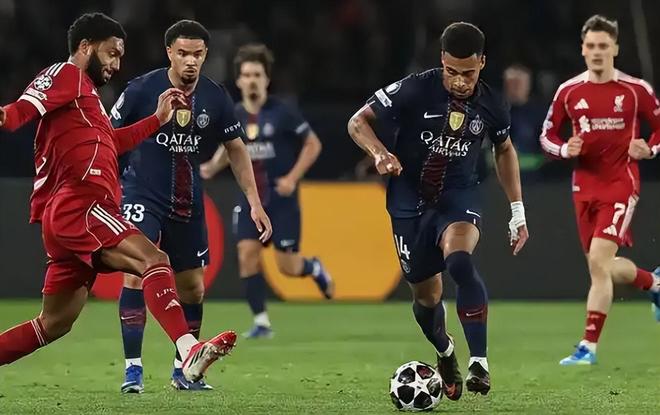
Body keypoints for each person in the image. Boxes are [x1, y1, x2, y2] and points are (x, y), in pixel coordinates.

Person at [0, 13, 240, 384]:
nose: (116, 64)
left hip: (67, 217)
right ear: (85, 46)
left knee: (54, 323)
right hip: (81, 205)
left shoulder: (86, 98)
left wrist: (156, 120)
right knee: (154, 260)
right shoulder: (66, 74)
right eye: (111, 53)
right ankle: (189, 348)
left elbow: (112, 143)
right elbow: (16, 114)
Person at [347, 22, 528, 398]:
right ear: (441, 60)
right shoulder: (415, 88)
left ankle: (479, 362)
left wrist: (518, 210)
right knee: (426, 298)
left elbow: (504, 149)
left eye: (468, 73)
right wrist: (379, 153)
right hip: (408, 200)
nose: (460, 81)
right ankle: (445, 351)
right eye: (451, 71)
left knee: (459, 260)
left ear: (482, 63)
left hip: (458, 197)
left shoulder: (492, 103)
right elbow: (357, 122)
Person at [112, 21, 272, 392]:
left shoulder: (215, 97)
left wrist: (254, 201)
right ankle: (132, 369)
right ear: (169, 52)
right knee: (137, 271)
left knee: (193, 289)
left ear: (205, 55)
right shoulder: (141, 89)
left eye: (197, 54)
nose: (190, 61)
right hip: (141, 194)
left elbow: (236, 148)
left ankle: (183, 371)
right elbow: (107, 136)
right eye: (183, 53)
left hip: (187, 201)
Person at [539, 15, 660, 366]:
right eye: (591, 46)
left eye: (603, 46)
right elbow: (546, 135)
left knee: (600, 261)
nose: (597, 52)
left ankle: (588, 348)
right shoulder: (569, 91)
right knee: (599, 267)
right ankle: (653, 283)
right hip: (583, 186)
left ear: (615, 49)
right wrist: (565, 149)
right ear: (582, 49)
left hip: (621, 183)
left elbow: (658, 129)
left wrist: (649, 148)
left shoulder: (635, 90)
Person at [200, 44, 333, 339]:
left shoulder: (282, 112)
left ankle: (312, 268)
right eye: (247, 75)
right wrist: (211, 167)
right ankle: (261, 322)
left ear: (266, 79)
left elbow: (313, 144)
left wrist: (292, 178)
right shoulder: (234, 114)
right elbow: (231, 148)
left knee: (288, 267)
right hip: (250, 200)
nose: (252, 81)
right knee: (247, 254)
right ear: (238, 81)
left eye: (257, 75)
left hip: (282, 200)